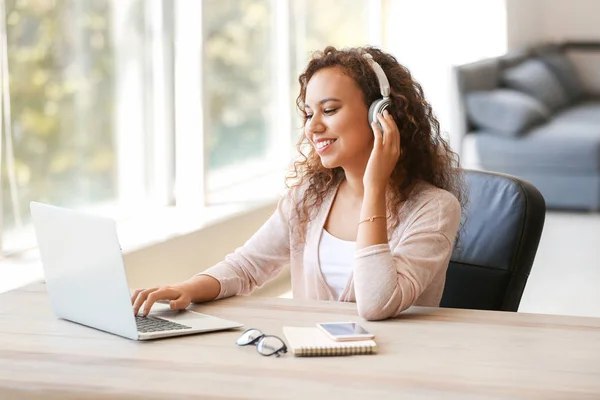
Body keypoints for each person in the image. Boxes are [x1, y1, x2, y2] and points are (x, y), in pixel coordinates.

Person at [131, 45, 466, 321]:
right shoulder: (310, 196)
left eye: (330, 110)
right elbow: (247, 266)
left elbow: (377, 304)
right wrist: (188, 288)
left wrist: (374, 187)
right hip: (314, 367)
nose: (312, 127)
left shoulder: (434, 209)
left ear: (381, 114)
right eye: (308, 114)